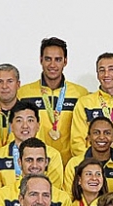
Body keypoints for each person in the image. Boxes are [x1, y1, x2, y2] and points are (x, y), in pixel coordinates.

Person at [18, 37, 89, 165]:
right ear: (41, 60)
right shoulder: (23, 93)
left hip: (69, 164)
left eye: (58, 59)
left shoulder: (80, 94)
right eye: (48, 59)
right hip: (36, 164)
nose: (52, 65)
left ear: (65, 61)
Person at [0, 100, 63, 189]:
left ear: (38, 125)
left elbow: (54, 193)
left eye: (30, 120)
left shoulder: (52, 155)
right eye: (19, 121)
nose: (25, 126)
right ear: (11, 126)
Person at [63, 116, 113, 194]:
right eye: (96, 132)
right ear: (89, 137)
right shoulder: (74, 164)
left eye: (107, 133)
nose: (102, 137)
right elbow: (68, 198)